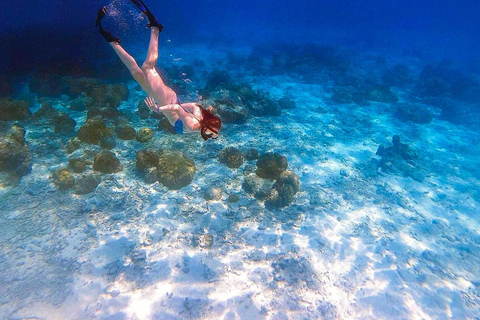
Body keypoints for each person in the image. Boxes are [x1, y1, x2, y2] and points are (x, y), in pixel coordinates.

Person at [96, 0, 221, 140]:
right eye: (213, 132)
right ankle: (155, 28)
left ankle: (112, 41)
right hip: (164, 100)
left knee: (136, 73)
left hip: (167, 99)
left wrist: (180, 106)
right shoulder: (193, 126)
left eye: (214, 134)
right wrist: (158, 109)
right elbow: (178, 109)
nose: (211, 135)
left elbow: (193, 105)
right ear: (207, 126)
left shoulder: (199, 121)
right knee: (147, 67)